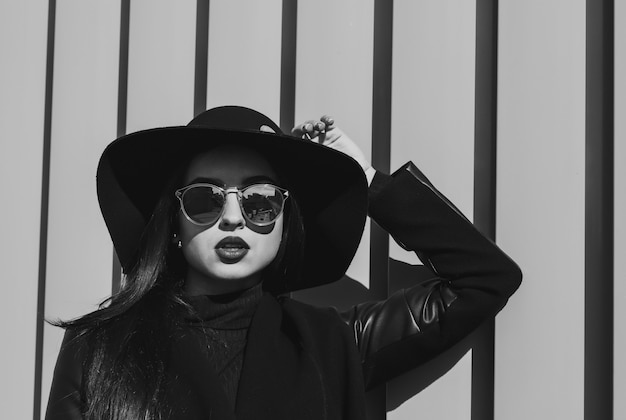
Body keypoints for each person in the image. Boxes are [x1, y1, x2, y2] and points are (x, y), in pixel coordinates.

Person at [45, 106, 521, 420]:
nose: (233, 218)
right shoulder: (99, 348)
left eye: (260, 202)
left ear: (284, 223)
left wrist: (368, 180)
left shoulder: (334, 345)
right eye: (206, 200)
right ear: (174, 221)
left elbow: (485, 278)